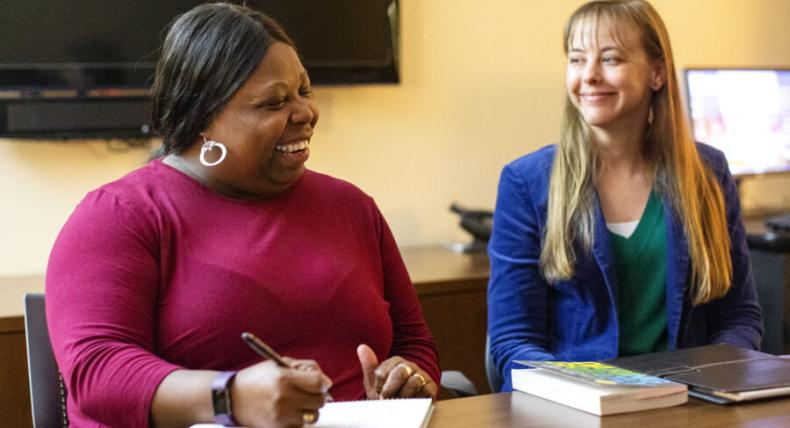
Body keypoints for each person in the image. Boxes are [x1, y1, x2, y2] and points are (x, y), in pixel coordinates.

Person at [45, 3, 439, 427]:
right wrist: (229, 397)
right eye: (275, 102)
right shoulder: (119, 216)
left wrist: (407, 378)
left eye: (304, 91)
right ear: (205, 117)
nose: (306, 113)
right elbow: (96, 371)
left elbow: (414, 344)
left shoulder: (352, 207)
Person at [487, 0, 763, 392]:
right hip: (571, 406)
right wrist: (590, 391)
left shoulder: (708, 172)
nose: (589, 75)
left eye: (610, 59)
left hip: (692, 402)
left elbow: (739, 317)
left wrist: (710, 382)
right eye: (577, 59)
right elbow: (513, 341)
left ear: (657, 73)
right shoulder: (526, 182)